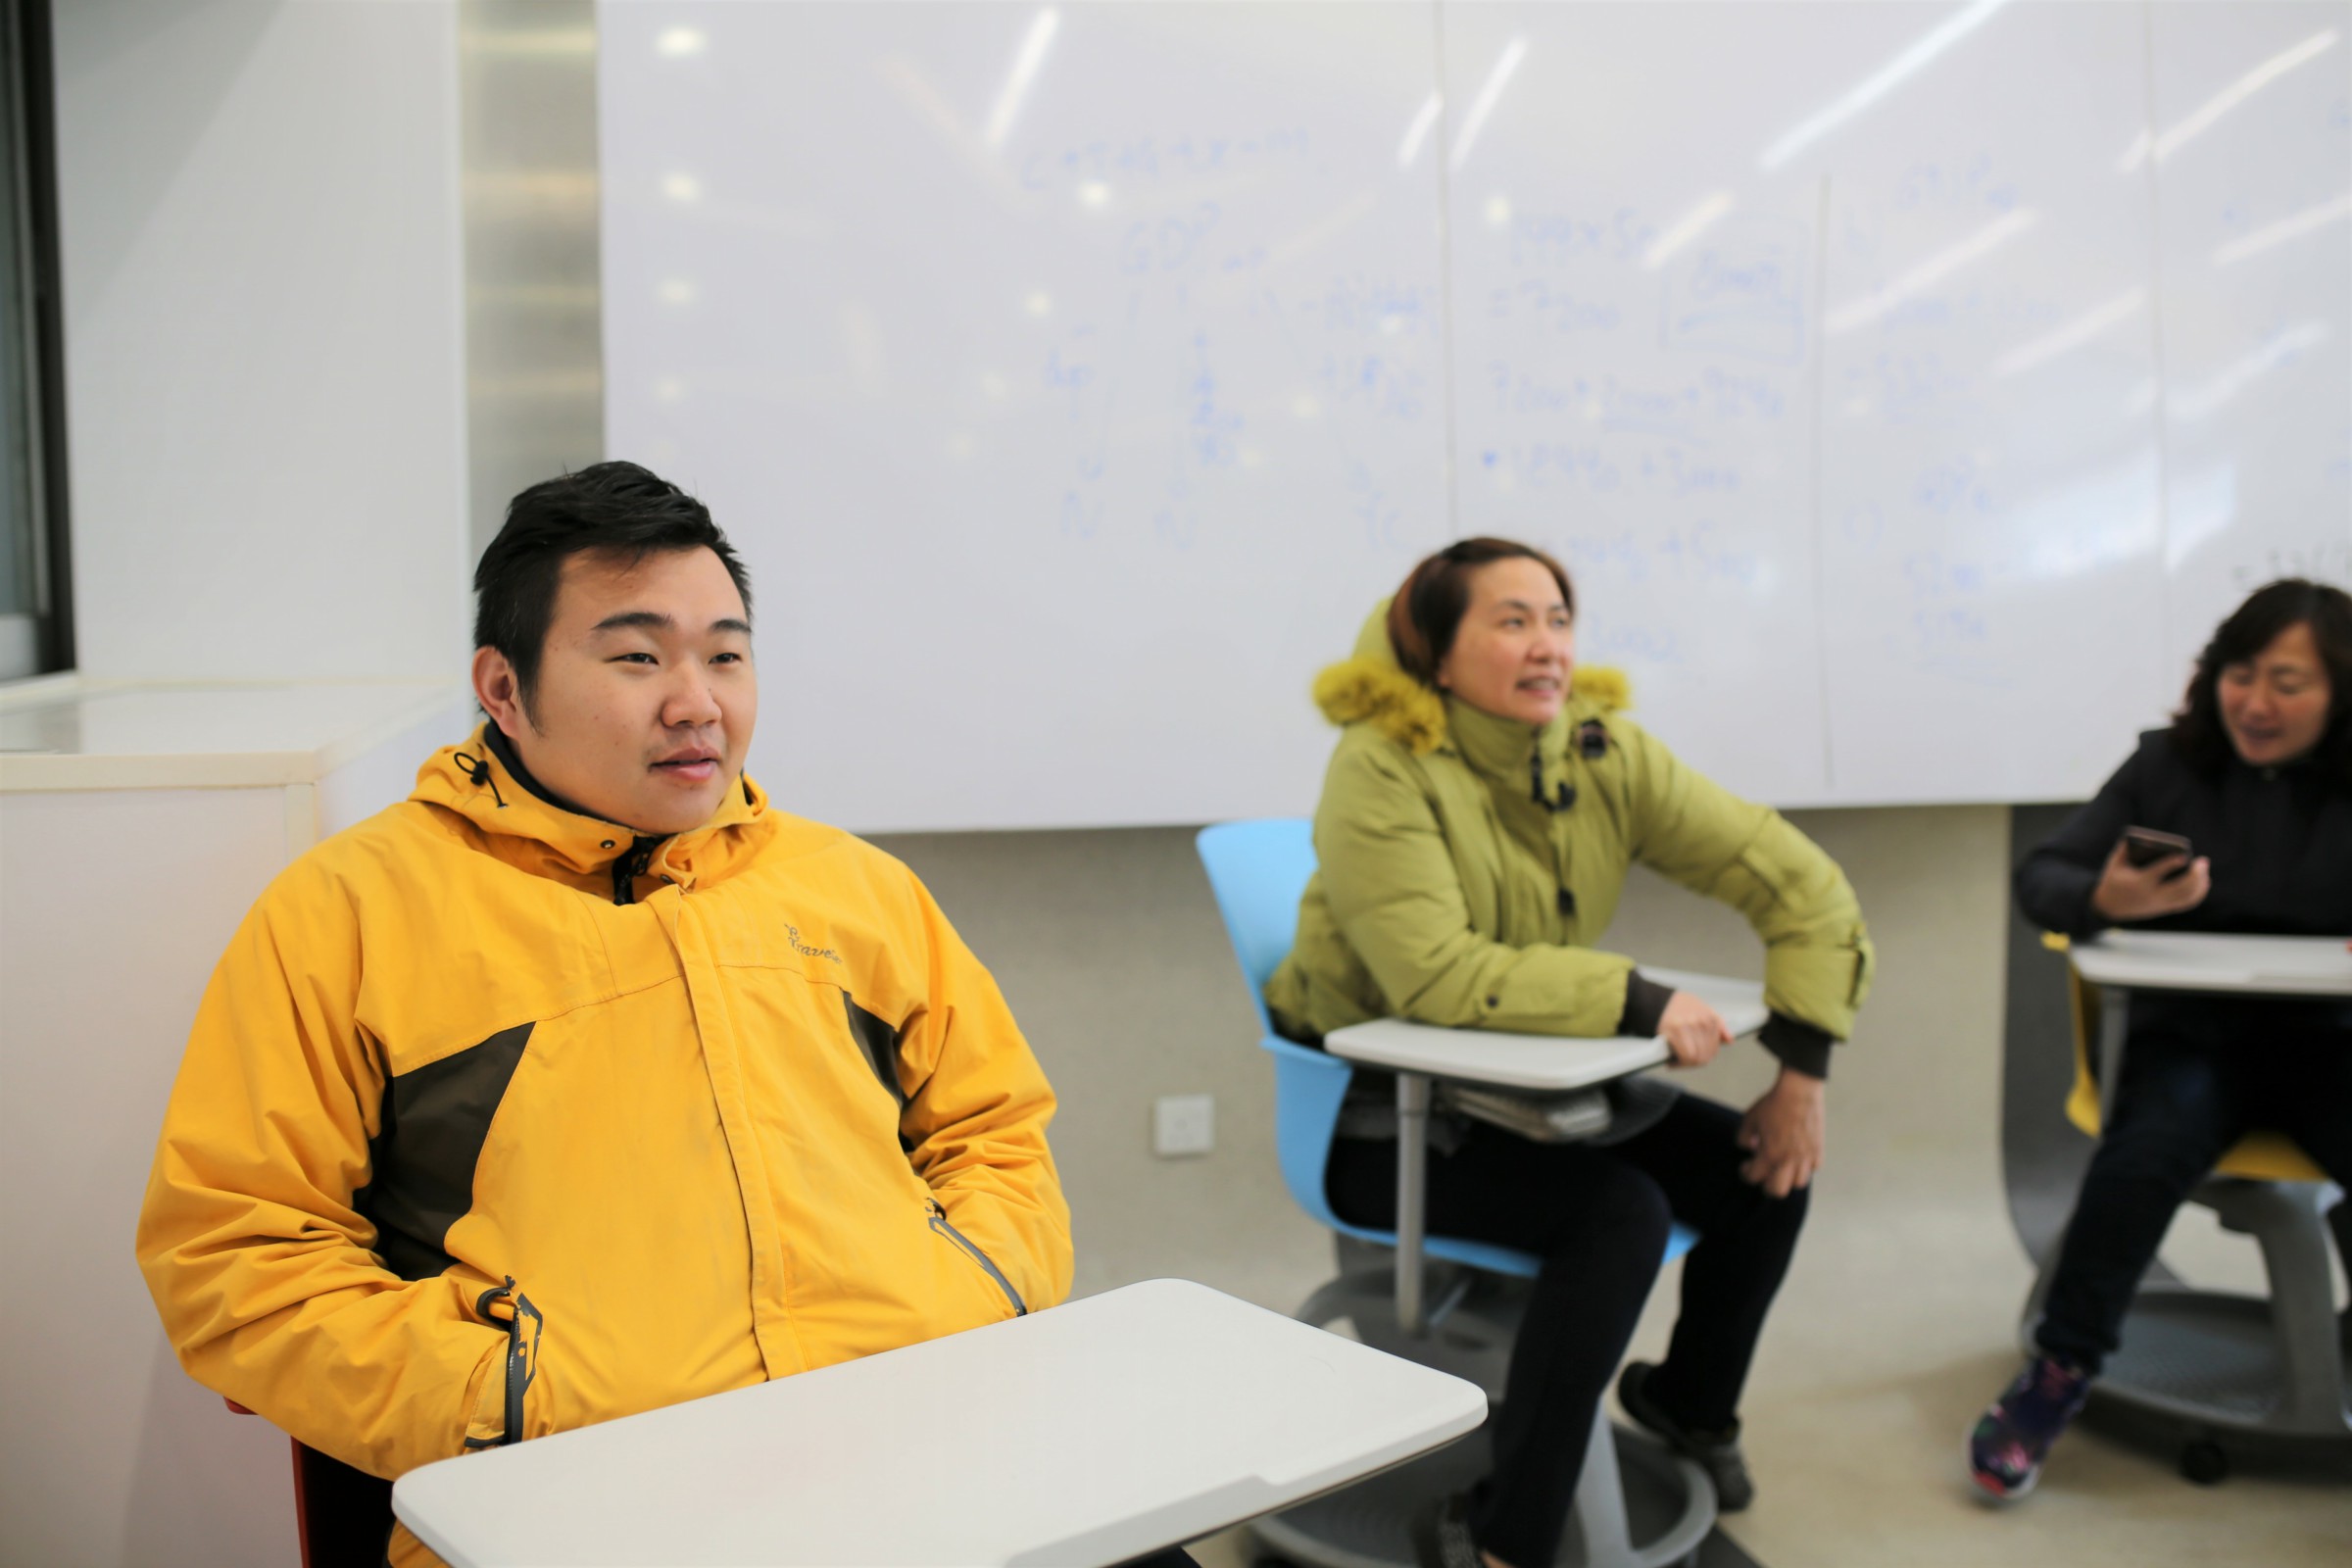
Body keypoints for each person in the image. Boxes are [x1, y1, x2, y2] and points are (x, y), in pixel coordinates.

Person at [134, 464, 1076, 1568]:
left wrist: (965, 1301)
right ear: (504, 688)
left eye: (725, 655)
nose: (698, 702)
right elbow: (237, 1253)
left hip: (916, 1458)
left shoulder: (859, 890)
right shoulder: (350, 914)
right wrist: (514, 1403)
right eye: (637, 657)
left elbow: (996, 1135)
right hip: (580, 1515)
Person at [1264, 537, 1873, 1568]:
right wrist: (1635, 1000)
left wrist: (1803, 1073)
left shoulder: (1597, 750)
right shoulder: (1377, 765)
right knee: (1619, 1214)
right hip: (1381, 1121)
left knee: (1764, 1170)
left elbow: (1796, 882)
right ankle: (1504, 1537)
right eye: (1512, 621)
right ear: (1436, 654)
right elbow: (1437, 976)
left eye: (1558, 619)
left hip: (1531, 1097)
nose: (1547, 645)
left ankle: (1688, 1409)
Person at [1969, 577, 2352, 1502]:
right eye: (2239, 674)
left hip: (2333, 1045)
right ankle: (2057, 1373)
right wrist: (2104, 898)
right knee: (2141, 1159)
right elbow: (2042, 878)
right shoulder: (2166, 765)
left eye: (2288, 683)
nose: (2255, 703)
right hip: (2194, 1044)